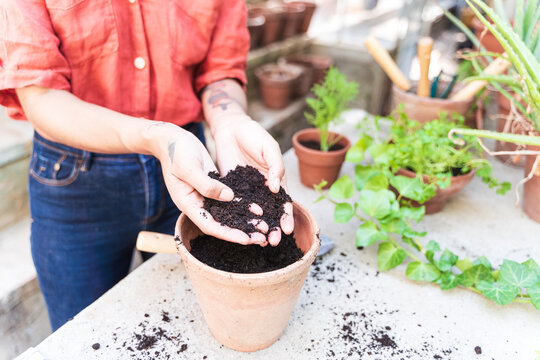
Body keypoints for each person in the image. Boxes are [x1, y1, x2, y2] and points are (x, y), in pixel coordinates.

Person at [0, 0, 293, 331]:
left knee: (187, 325)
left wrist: (230, 121)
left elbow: (221, 70)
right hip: (76, 181)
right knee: (83, 331)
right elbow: (40, 93)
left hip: (190, 164)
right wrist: (154, 137)